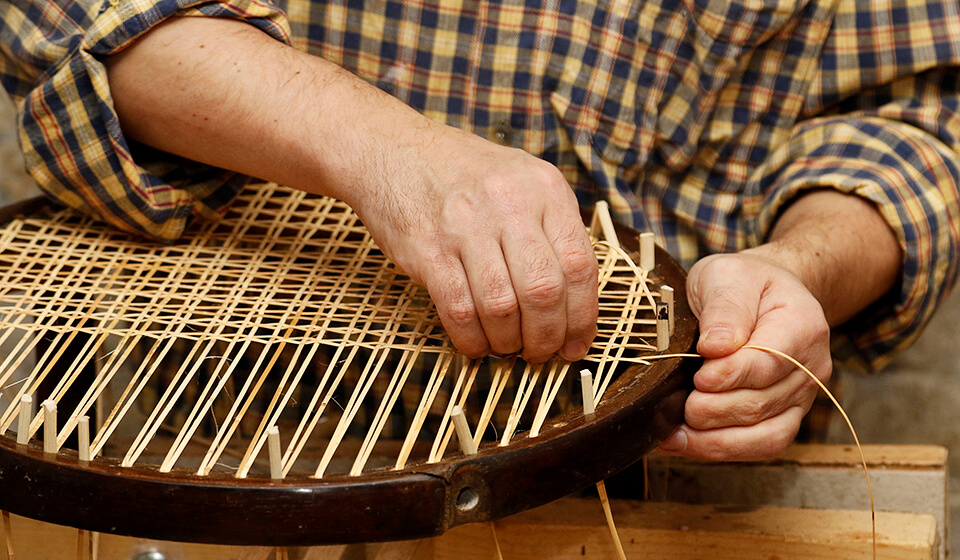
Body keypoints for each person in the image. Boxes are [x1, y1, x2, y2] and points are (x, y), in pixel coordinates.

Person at [0, 0, 956, 462]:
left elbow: (910, 118)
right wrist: (377, 148)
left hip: (659, 448)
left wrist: (795, 269)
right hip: (239, 430)